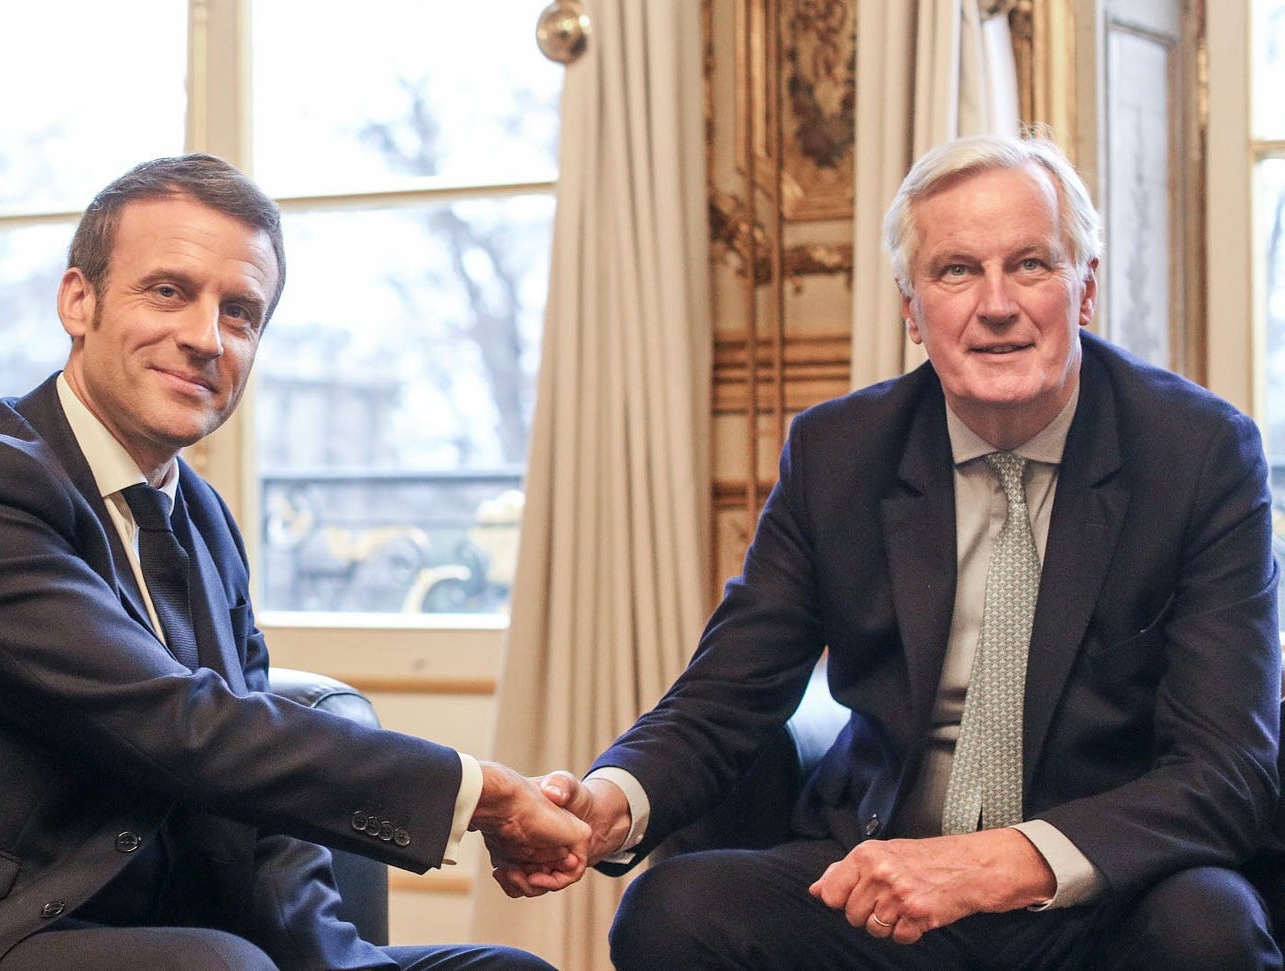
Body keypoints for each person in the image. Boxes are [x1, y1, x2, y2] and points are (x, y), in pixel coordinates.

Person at [509, 133, 1284, 968]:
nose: (995, 303)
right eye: (956, 271)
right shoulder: (842, 452)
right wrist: (606, 804)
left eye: (1030, 264)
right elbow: (725, 697)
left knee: (1213, 931)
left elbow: (1228, 767)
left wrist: (999, 864)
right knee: (672, 909)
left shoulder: (1199, 454)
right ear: (913, 311)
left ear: (1084, 288)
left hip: (1099, 889)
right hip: (886, 879)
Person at [0, 154, 585, 970]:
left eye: (240, 313)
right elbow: (178, 724)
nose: (204, 338)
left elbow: (257, 811)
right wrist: (487, 796)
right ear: (78, 300)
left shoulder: (202, 519)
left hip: (165, 939)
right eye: (168, 291)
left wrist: (340, 965)